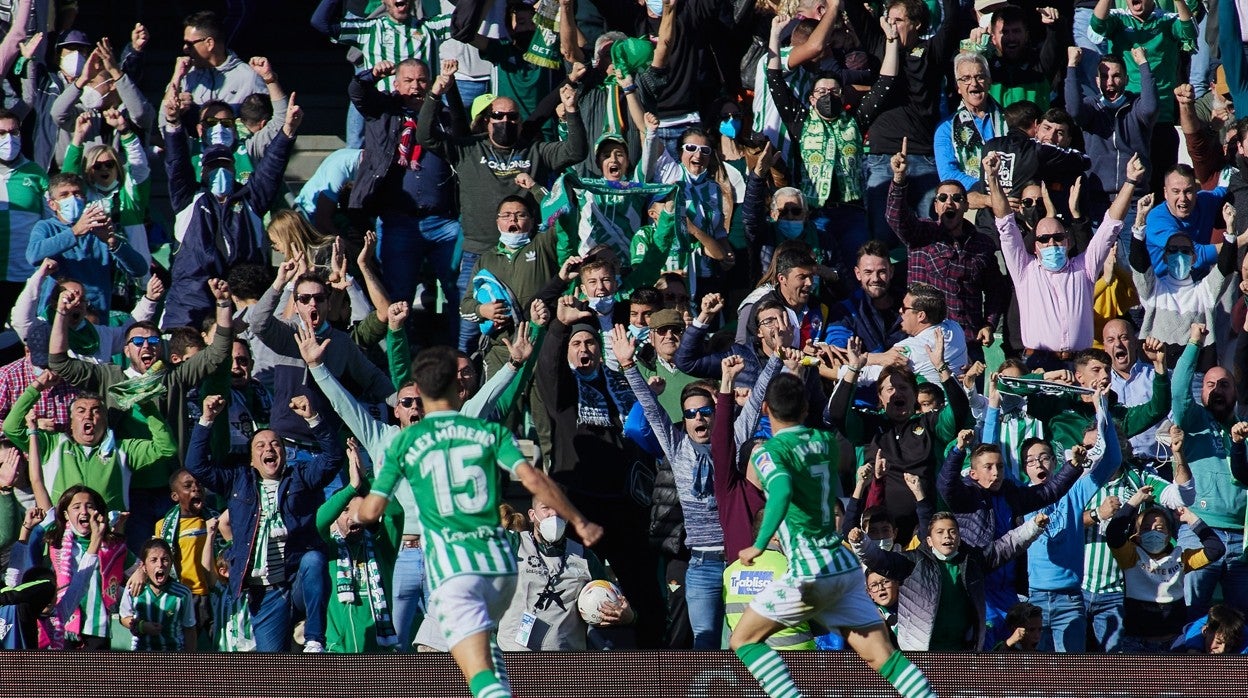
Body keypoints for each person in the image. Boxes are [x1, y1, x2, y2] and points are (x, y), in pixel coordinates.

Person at [355, 346, 603, 698]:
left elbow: (371, 512)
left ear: (423, 394)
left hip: (458, 568)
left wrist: (361, 506)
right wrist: (579, 521)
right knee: (489, 654)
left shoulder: (405, 442)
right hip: (502, 567)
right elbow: (535, 481)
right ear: (459, 391)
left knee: (452, 663)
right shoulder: (488, 433)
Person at [729, 373, 937, 698]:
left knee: (742, 640)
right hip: (843, 567)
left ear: (766, 408)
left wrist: (758, 544)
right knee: (886, 659)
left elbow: (782, 490)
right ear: (806, 407)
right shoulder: (824, 441)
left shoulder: (768, 452)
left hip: (809, 572)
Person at [616, 324, 780, 649]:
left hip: (738, 561)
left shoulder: (731, 440)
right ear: (686, 420)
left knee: (744, 645)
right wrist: (628, 365)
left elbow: (758, 395)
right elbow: (651, 409)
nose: (699, 418)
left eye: (705, 411)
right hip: (701, 564)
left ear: (716, 413)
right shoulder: (676, 447)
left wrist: (775, 358)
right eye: (691, 414)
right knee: (703, 645)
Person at [187, 394, 342, 653]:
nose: (268, 449)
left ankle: (315, 640)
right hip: (265, 591)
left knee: (314, 559)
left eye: (275, 444)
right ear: (251, 459)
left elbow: (333, 458)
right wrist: (207, 420)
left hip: (296, 579)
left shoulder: (301, 477)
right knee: (271, 669)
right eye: (260, 446)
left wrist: (314, 419)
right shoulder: (238, 481)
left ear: (284, 453)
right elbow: (196, 465)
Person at [985, 149, 1139, 367]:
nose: (1051, 244)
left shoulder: (1084, 267)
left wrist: (1130, 181)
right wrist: (993, 178)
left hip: (1081, 362)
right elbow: (1006, 224)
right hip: (1038, 362)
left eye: (1057, 238)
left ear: (1067, 241)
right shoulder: (1024, 270)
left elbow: (1110, 227)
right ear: (1035, 246)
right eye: (1044, 239)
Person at [889, 140, 1007, 359]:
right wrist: (899, 179)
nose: (949, 203)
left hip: (967, 342)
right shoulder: (921, 234)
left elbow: (995, 289)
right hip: (924, 340)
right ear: (935, 206)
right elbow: (896, 218)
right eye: (942, 198)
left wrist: (988, 323)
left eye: (956, 198)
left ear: (965, 205)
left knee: (967, 394)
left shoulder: (982, 244)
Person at [497, 494, 634, 651]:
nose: (554, 514)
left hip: (565, 663)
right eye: (546, 507)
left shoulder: (585, 557)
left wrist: (628, 616)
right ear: (532, 515)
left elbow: (609, 604)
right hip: (512, 658)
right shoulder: (513, 544)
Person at [1107, 491, 1225, 652]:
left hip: (1173, 642)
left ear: (1169, 534)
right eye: (1146, 528)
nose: (1153, 532)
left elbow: (1215, 549)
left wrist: (1191, 519)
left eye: (1159, 528)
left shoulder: (1181, 558)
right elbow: (1113, 533)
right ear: (1138, 534)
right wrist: (1134, 501)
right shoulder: (1130, 556)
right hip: (1137, 642)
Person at [315, 439, 401, 653]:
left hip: (378, 654)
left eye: (358, 511)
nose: (353, 517)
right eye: (345, 512)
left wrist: (366, 479)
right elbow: (317, 523)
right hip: (337, 652)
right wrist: (351, 488)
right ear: (335, 517)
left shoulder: (383, 549)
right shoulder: (327, 549)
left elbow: (396, 514)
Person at [25, 171, 146, 314]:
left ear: (85, 199)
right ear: (52, 204)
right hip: (55, 314)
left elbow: (140, 269)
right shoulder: (46, 227)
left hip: (95, 316)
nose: (72, 199)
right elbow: (33, 255)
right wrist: (74, 232)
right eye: (64, 195)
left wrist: (113, 243)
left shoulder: (98, 229)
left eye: (77, 194)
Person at [118, 538, 198, 651]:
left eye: (164, 559)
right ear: (144, 566)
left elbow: (189, 629)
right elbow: (124, 617)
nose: (160, 564)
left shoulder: (182, 593)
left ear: (171, 563)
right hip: (142, 653)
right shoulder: (133, 589)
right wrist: (142, 626)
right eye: (153, 560)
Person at [178, 10, 267, 110]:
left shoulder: (249, 77)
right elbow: (164, 123)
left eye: (189, 44)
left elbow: (269, 121)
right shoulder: (184, 74)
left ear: (209, 43)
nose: (185, 48)